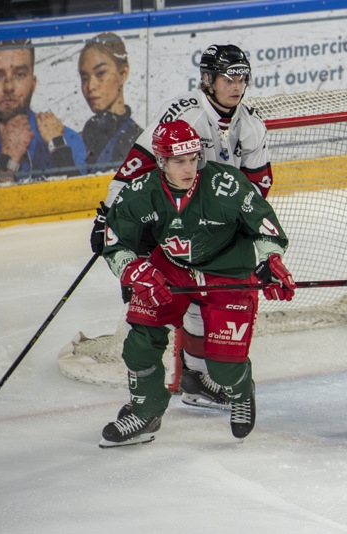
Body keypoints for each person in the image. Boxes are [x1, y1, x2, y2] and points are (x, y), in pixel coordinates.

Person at [89, 43, 274, 410]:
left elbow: (259, 184)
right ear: (208, 80)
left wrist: (242, 224)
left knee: (200, 301)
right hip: (163, 220)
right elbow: (140, 163)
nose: (236, 85)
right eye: (227, 76)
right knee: (146, 306)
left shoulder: (250, 124)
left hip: (209, 225)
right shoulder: (185, 115)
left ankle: (193, 378)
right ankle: (144, 395)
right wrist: (107, 214)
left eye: (242, 76)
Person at [99, 120, 295, 447]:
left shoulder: (226, 185)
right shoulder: (140, 193)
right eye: (178, 161)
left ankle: (241, 389)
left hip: (229, 271)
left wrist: (271, 260)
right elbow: (116, 243)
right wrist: (132, 269)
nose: (189, 168)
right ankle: (145, 411)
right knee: (140, 339)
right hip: (173, 268)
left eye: (193, 158)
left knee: (223, 371)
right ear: (161, 161)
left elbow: (264, 228)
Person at [0, 39, 87, 187]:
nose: (9, 86)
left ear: (33, 83)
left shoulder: (68, 141)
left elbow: (83, 205)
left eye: (20, 74)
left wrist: (58, 147)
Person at [78, 32, 143, 174]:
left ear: (123, 73)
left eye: (101, 73)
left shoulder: (138, 144)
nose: (91, 86)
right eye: (84, 78)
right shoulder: (83, 138)